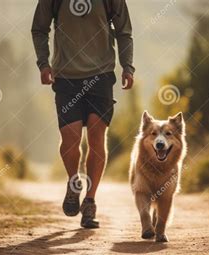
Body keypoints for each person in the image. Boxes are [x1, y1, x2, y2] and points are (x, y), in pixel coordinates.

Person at [32, 0, 135, 229]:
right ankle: (73, 181)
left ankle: (90, 202)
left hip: (101, 75)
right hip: (66, 77)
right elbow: (39, 29)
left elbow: (124, 31)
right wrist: (43, 64)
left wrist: (127, 66)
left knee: (97, 138)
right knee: (71, 139)